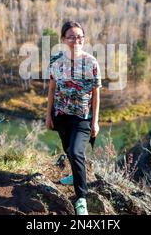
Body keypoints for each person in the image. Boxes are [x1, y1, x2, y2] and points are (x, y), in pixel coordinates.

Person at [46, 21, 102, 215]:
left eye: (80, 37)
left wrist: (95, 121)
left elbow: (96, 94)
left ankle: (81, 199)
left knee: (77, 151)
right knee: (68, 149)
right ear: (63, 40)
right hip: (61, 114)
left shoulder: (91, 63)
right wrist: (48, 114)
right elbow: (52, 88)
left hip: (82, 117)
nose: (76, 40)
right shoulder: (55, 60)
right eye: (71, 37)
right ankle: (75, 175)